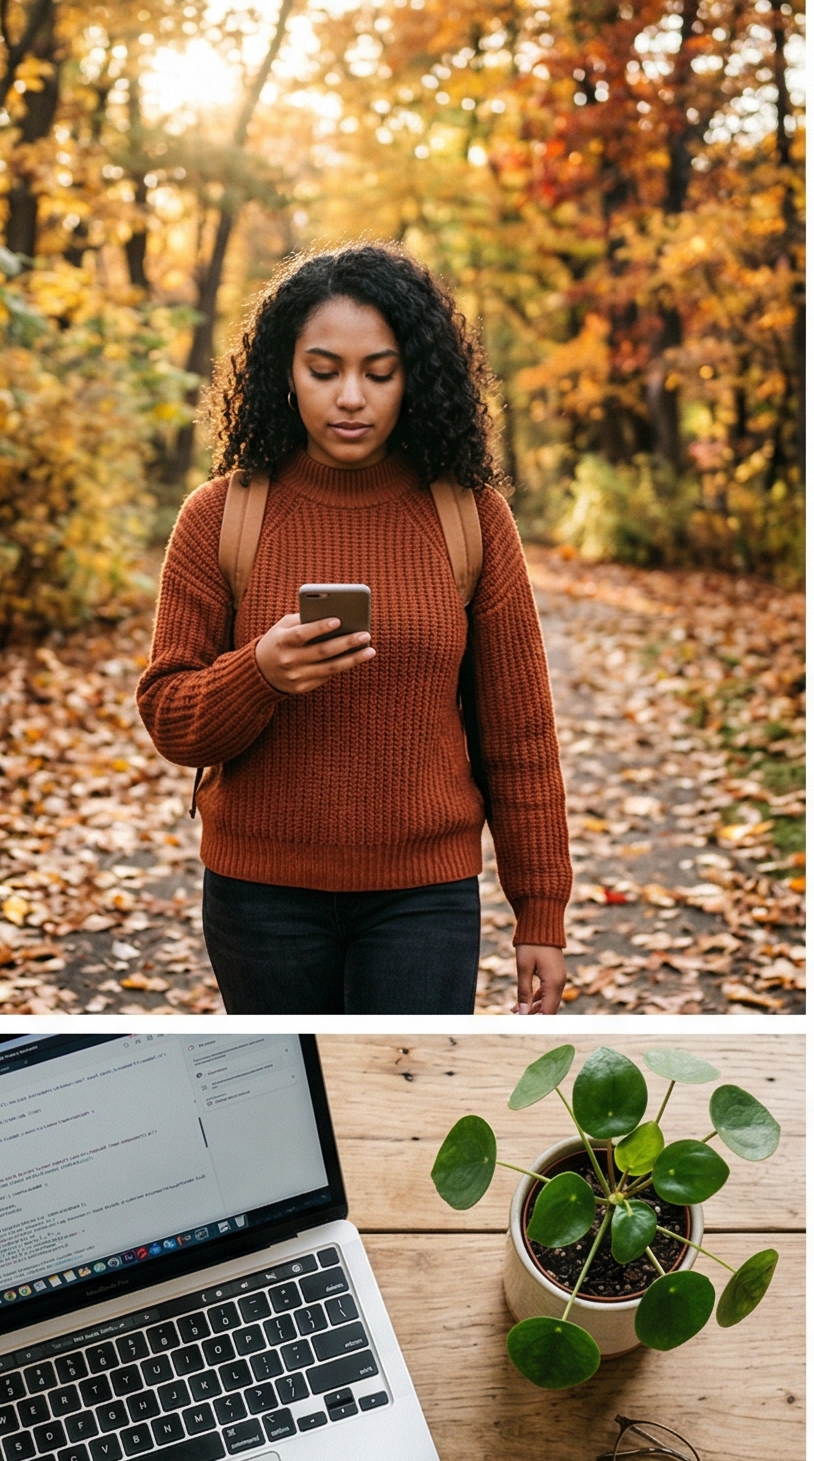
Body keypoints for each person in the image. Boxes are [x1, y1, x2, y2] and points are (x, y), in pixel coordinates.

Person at [138, 241, 571, 1015]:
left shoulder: (472, 518)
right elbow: (172, 720)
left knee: (408, 1082)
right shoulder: (220, 516)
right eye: (323, 370)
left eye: (379, 373)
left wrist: (541, 911)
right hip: (258, 898)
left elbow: (521, 737)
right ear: (284, 372)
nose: (350, 398)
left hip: (424, 899)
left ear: (415, 377)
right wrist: (259, 674)